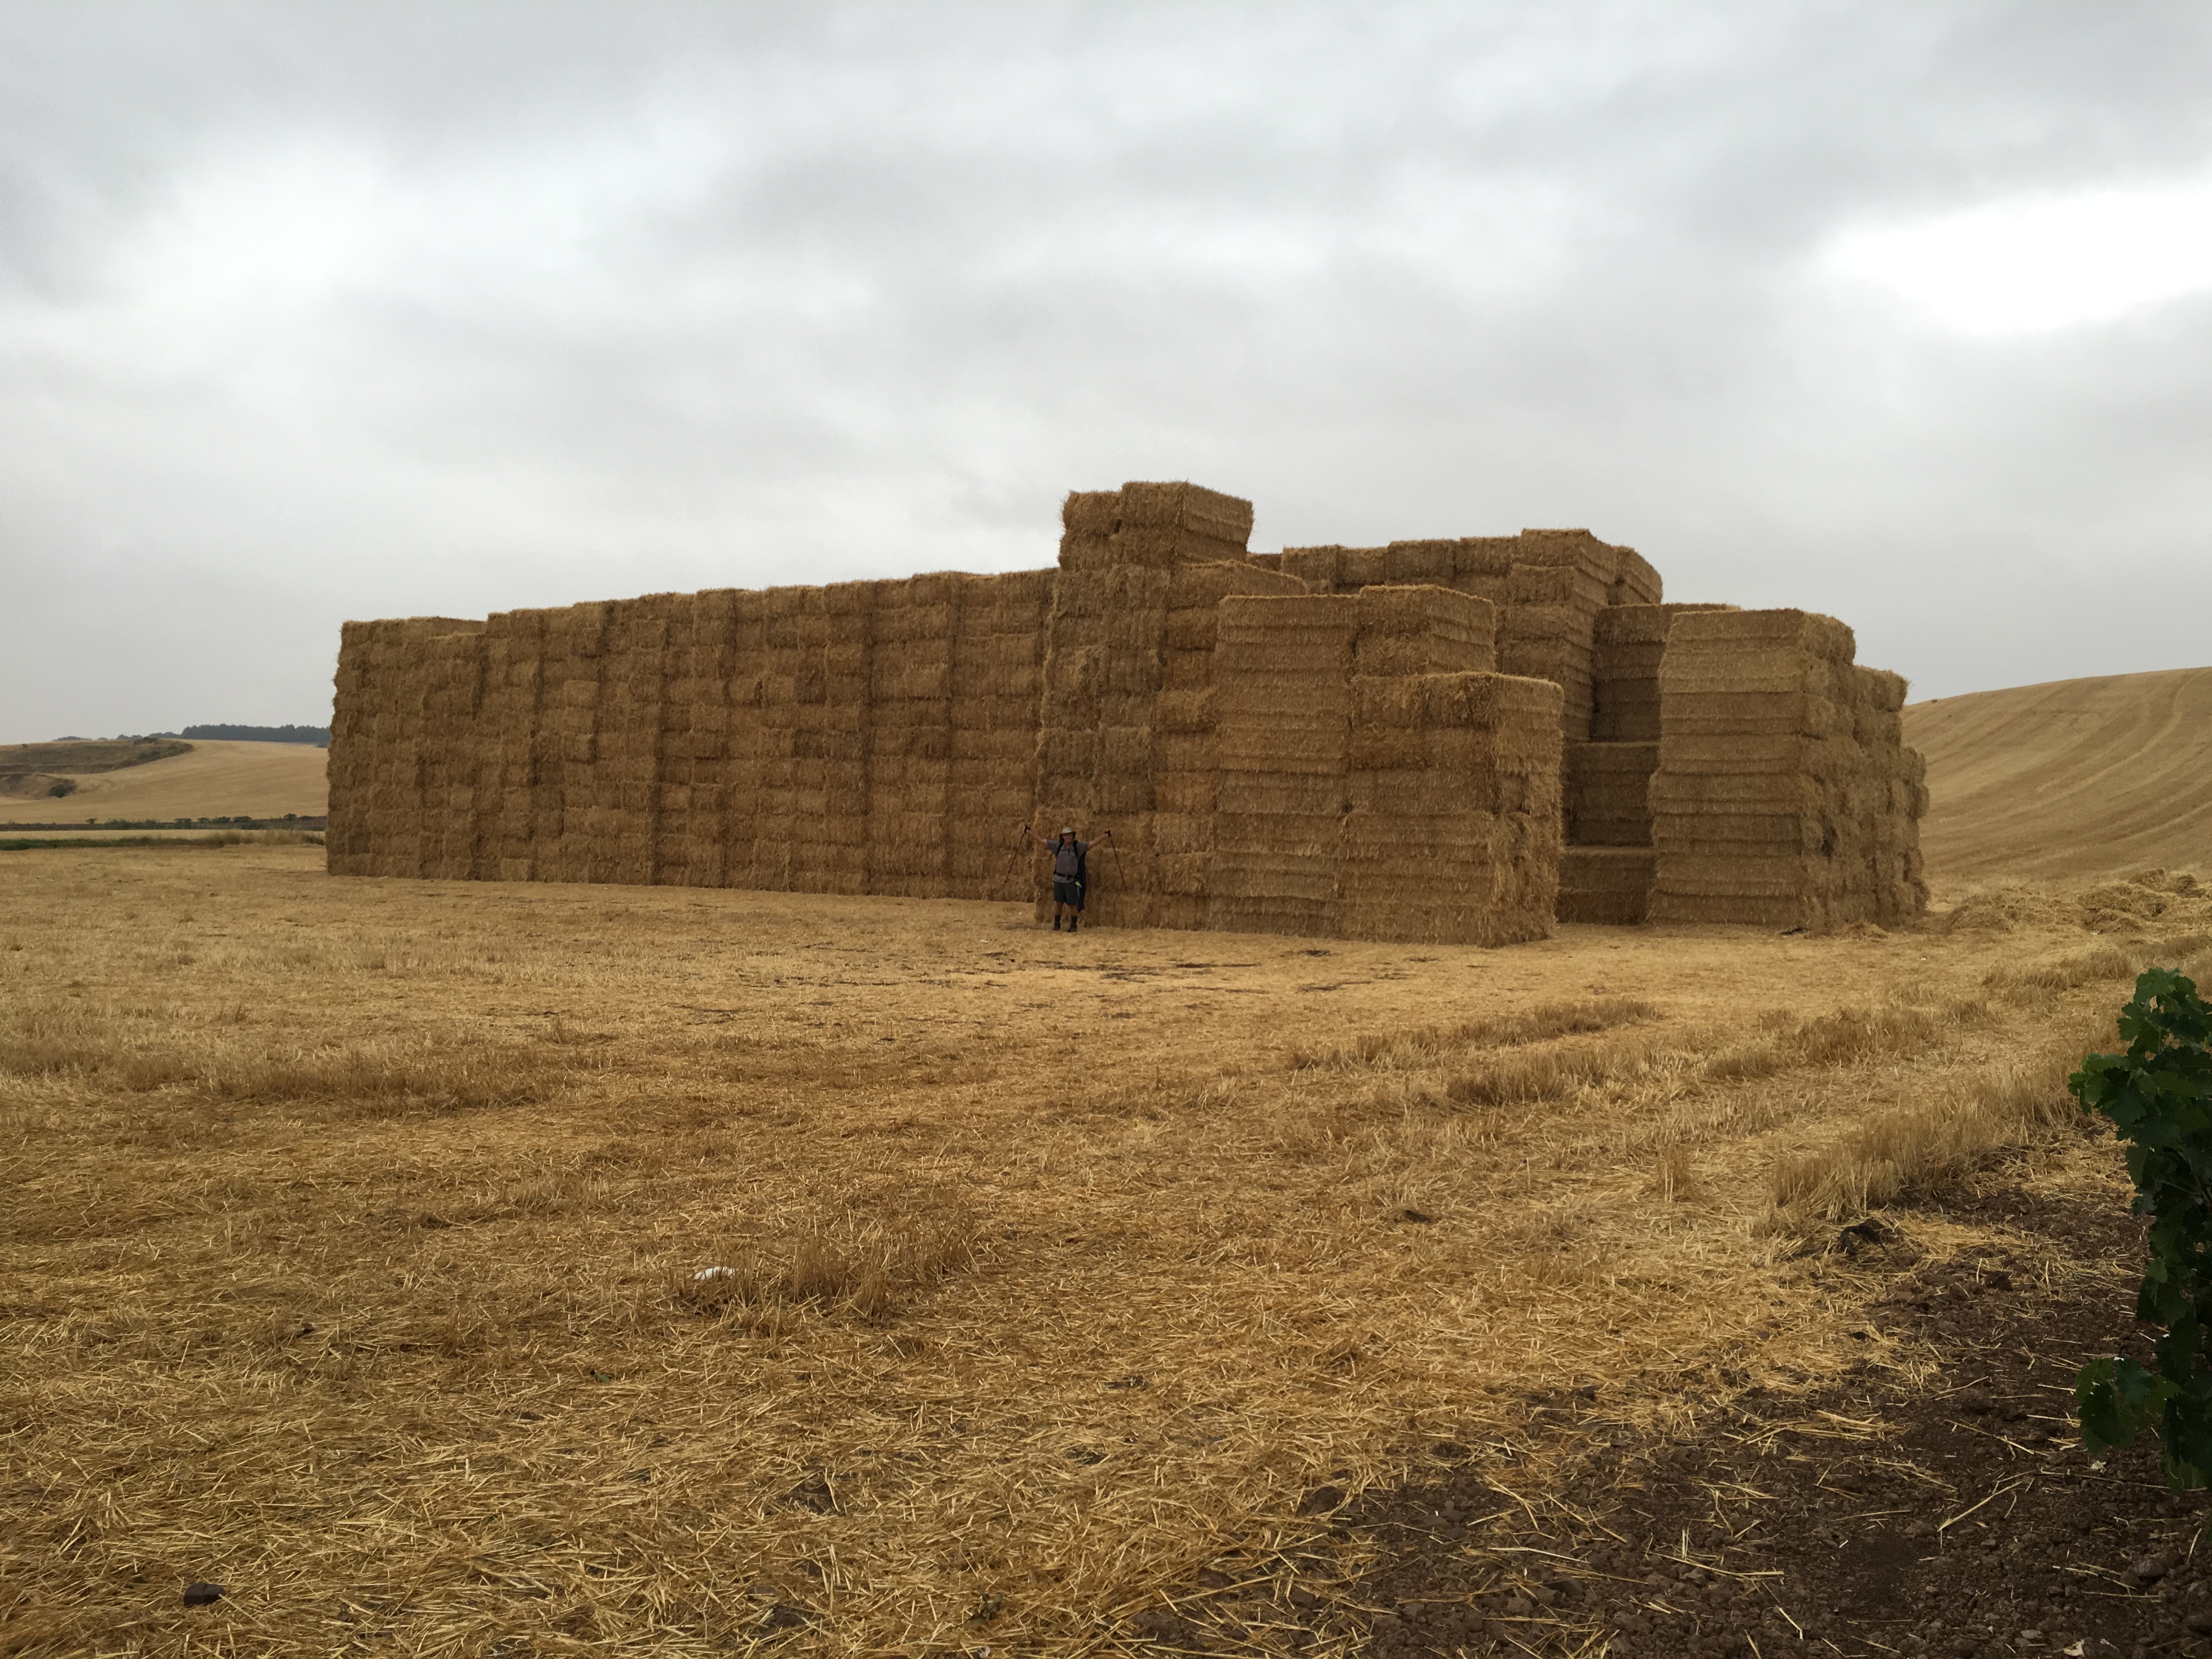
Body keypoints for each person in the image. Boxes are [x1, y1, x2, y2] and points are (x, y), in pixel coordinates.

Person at [1024, 823, 1107, 930]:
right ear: (1063, 837)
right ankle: (1057, 925)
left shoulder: (1078, 847)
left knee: (1073, 905)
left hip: (1071, 881)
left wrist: (1104, 836)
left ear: (1073, 836)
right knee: (1058, 903)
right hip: (1058, 880)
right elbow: (1041, 841)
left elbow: (1092, 844)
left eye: (1070, 835)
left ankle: (1073, 926)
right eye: (1066, 835)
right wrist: (1028, 831)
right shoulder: (1058, 846)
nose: (1068, 837)